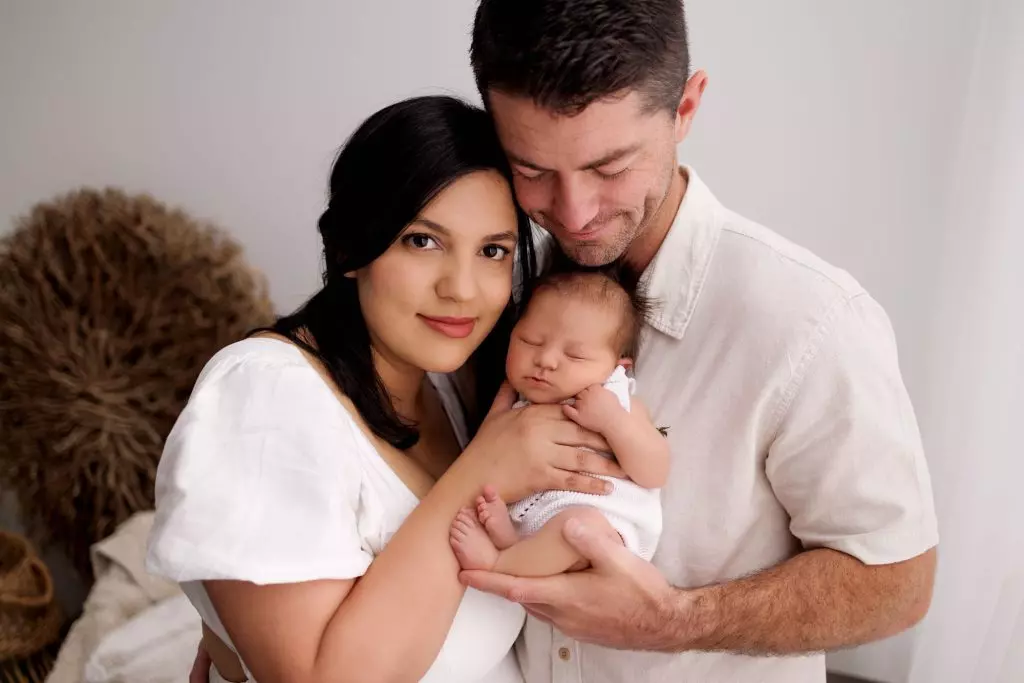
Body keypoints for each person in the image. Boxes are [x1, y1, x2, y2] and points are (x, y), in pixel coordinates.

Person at [458, 0, 940, 681]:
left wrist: (674, 620)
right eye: (533, 170)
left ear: (685, 108)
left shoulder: (811, 319)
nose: (573, 212)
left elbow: (898, 583)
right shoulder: (493, 282)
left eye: (609, 168)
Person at [146, 95, 626, 683]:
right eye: (422, 241)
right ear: (351, 246)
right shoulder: (266, 393)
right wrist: (481, 472)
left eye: (492, 250)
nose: (462, 289)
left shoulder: (448, 387)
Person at [450, 270, 669, 578]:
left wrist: (614, 422)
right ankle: (514, 543)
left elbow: (655, 472)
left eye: (575, 356)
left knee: (578, 527)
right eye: (530, 341)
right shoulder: (512, 402)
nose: (546, 360)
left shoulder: (618, 401)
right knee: (488, 499)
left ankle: (498, 563)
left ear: (616, 368)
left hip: (603, 533)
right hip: (536, 525)